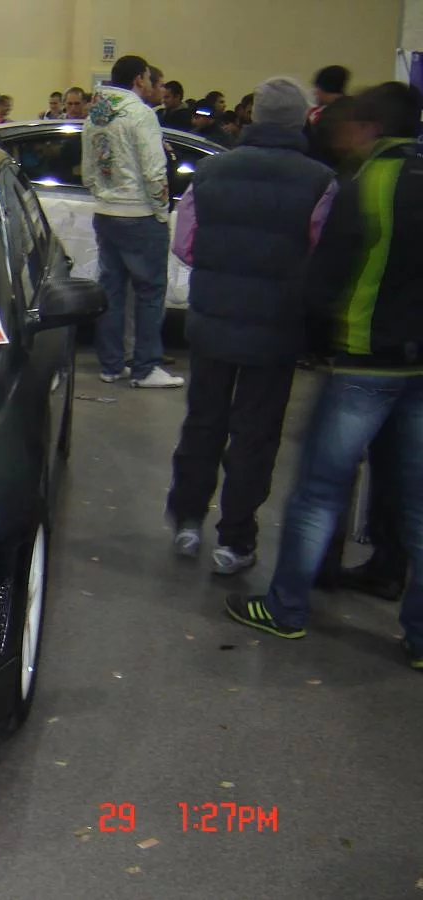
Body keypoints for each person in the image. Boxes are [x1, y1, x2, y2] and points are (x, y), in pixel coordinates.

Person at [224, 82, 423, 674]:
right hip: (419, 367)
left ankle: (285, 608)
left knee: (318, 492)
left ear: (371, 127)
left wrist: (314, 344)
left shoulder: (367, 184)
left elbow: (327, 275)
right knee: (418, 504)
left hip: (364, 361)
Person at [166, 78, 336, 575]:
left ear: (254, 117)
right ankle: (235, 540)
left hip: (212, 320)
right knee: (255, 434)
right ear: (300, 119)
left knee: (203, 422)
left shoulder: (211, 171)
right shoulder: (320, 181)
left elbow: (185, 245)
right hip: (276, 328)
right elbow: (323, 255)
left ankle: (187, 520)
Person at [82, 55, 183, 389]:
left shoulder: (95, 115)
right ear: (140, 79)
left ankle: (111, 366)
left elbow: (88, 172)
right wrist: (160, 210)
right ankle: (145, 368)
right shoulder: (141, 115)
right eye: (151, 79)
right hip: (140, 214)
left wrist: (104, 195)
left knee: (111, 292)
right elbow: (154, 172)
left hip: (106, 212)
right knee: (150, 293)